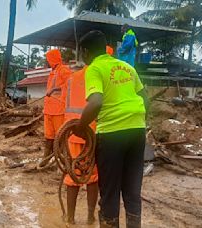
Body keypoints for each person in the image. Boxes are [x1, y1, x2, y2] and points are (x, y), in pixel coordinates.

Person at [75, 30, 148, 227]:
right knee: (132, 190)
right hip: (137, 132)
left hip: (111, 134)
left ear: (85, 51)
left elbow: (96, 102)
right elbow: (145, 96)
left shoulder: (94, 69)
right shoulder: (126, 66)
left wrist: (80, 128)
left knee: (109, 191)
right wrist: (137, 121)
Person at [64, 65, 99, 225]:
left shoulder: (71, 78)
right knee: (92, 177)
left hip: (72, 133)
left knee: (72, 175)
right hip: (93, 132)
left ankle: (70, 218)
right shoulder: (99, 75)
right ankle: (90, 217)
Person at [38, 49, 71, 168]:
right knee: (48, 136)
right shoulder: (52, 72)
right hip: (49, 110)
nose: (46, 61)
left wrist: (54, 90)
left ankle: (63, 163)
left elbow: (69, 85)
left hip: (59, 110)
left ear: (52, 59)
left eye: (48, 59)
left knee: (60, 138)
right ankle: (45, 159)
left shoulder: (64, 70)